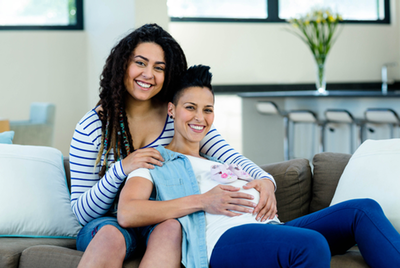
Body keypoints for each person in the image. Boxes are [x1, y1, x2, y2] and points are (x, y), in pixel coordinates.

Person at [119, 64, 400, 268]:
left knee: (362, 209)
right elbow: (128, 212)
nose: (199, 117)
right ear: (172, 110)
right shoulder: (156, 160)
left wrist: (265, 182)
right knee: (312, 245)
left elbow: (260, 179)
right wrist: (203, 201)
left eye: (208, 109)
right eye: (190, 107)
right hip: (222, 240)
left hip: (273, 229)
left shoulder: (219, 160)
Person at [69, 24, 276, 267]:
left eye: (159, 68)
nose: (148, 74)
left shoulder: (178, 116)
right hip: (108, 224)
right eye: (140, 63)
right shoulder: (93, 126)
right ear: (123, 64)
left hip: (162, 216)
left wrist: (266, 181)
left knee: (172, 229)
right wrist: (121, 169)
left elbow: (230, 157)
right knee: (111, 235)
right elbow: (82, 212)